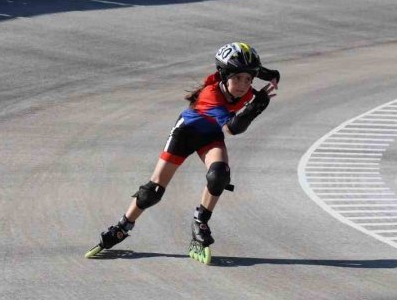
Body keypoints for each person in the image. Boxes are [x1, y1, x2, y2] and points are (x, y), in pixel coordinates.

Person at [88, 42, 280, 256]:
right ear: (225, 76)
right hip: (185, 134)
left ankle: (200, 221)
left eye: (248, 79)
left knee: (219, 176)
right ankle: (123, 227)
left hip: (209, 136)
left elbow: (270, 75)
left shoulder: (243, 87)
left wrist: (271, 74)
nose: (243, 85)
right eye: (237, 78)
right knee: (153, 191)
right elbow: (233, 129)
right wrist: (255, 108)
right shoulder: (211, 94)